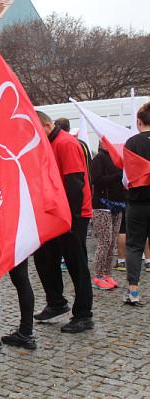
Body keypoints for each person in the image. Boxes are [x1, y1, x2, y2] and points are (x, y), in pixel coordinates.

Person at [33, 111, 94, 333]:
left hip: (72, 215)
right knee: (43, 256)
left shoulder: (66, 144)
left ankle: (84, 314)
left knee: (77, 265)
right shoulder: (48, 143)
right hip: (55, 213)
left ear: (47, 125)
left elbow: (75, 183)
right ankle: (56, 302)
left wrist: (71, 220)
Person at [123, 102, 150, 305]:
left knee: (134, 246)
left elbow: (126, 179)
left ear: (139, 121)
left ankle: (133, 292)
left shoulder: (131, 143)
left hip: (138, 202)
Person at [90, 141, 125, 290]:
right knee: (105, 241)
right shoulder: (99, 158)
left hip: (117, 204)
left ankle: (107, 273)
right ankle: (98, 276)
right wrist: (117, 176)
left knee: (111, 242)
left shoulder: (117, 158)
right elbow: (96, 180)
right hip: (102, 205)